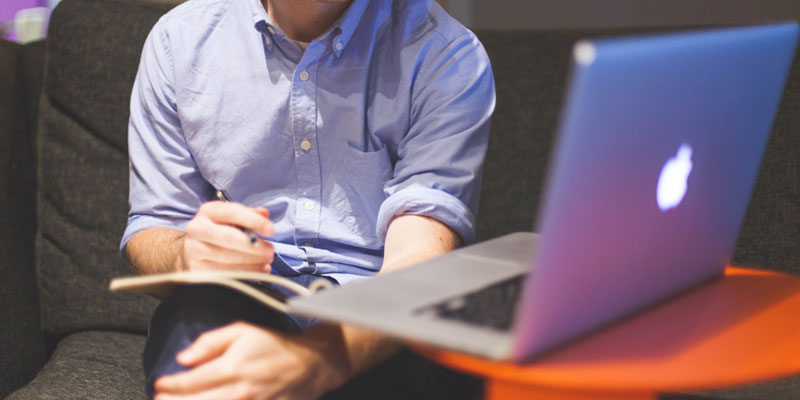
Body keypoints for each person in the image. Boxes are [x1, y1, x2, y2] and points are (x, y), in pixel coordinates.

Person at [121, 0, 495, 398]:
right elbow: (152, 225)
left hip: (378, 304)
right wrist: (185, 255)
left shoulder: (444, 54)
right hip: (244, 292)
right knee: (191, 326)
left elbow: (417, 264)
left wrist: (315, 360)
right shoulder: (178, 41)